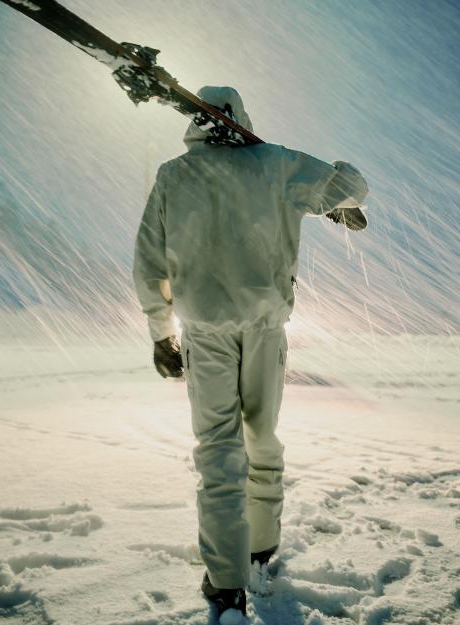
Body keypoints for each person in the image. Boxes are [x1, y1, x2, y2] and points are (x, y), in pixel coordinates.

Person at [133, 86, 368, 618]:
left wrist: (161, 332)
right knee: (261, 438)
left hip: (204, 331)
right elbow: (353, 186)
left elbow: (149, 261)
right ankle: (261, 549)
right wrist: (340, 199)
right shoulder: (278, 164)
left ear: (195, 122)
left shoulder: (174, 175)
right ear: (242, 117)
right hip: (265, 328)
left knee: (218, 453)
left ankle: (226, 582)